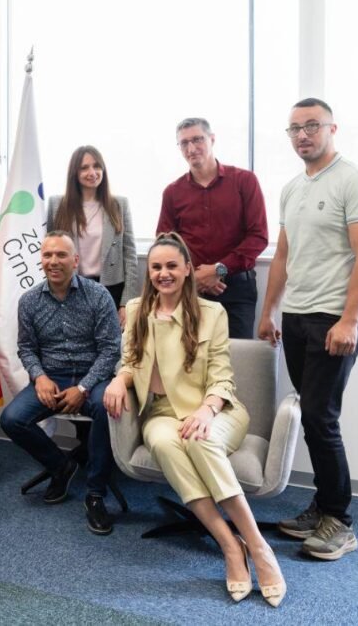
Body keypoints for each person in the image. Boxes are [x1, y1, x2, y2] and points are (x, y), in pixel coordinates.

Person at [104, 233, 286, 607]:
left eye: (172, 265)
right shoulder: (136, 310)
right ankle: (230, 546)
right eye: (156, 267)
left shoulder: (211, 313)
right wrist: (119, 379)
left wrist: (206, 410)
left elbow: (222, 375)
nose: (164, 273)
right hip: (161, 414)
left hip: (217, 410)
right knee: (165, 442)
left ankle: (258, 546)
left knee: (199, 439)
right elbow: (131, 361)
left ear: (188, 269)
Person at [258, 98, 358, 561]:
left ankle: (341, 522)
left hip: (336, 317)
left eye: (312, 125)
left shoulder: (356, 181)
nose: (302, 135)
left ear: (332, 128)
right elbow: (284, 255)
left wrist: (349, 319)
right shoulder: (293, 188)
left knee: (320, 416)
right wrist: (269, 311)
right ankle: (323, 505)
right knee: (310, 414)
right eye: (294, 129)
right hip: (297, 316)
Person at [0, 230, 122, 535]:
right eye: (47, 255)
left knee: (106, 409)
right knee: (11, 419)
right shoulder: (29, 301)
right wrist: (39, 377)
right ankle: (61, 466)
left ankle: (95, 493)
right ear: (41, 260)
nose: (53, 261)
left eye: (61, 255)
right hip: (51, 377)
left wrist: (83, 388)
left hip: (93, 376)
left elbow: (111, 350)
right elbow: (26, 348)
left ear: (75, 260)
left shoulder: (98, 295)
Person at [157, 117, 268, 338]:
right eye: (184, 143)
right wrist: (195, 276)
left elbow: (258, 237)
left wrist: (218, 270)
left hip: (236, 291)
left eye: (197, 140)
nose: (191, 148)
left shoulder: (244, 181)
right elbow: (165, 243)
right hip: (191, 289)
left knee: (236, 355)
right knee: (188, 356)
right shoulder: (172, 192)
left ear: (212, 139)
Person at [47, 145, 136, 327]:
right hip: (71, 287)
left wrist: (126, 303)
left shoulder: (119, 204)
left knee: (108, 340)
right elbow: (48, 251)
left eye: (96, 166)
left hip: (111, 288)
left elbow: (130, 255)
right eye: (84, 167)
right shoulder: (57, 205)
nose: (92, 172)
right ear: (74, 173)